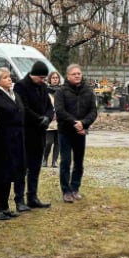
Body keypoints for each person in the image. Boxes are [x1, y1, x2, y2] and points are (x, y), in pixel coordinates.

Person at [13, 61, 54, 211]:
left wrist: (48, 118)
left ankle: (33, 196)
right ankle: (19, 199)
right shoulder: (21, 86)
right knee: (22, 168)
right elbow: (23, 107)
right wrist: (39, 119)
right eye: (41, 77)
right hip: (26, 132)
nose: (43, 80)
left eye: (45, 78)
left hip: (40, 133)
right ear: (34, 75)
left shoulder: (42, 87)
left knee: (35, 167)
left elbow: (50, 106)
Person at [54, 64, 98, 203]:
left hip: (81, 132)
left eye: (79, 73)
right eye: (74, 74)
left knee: (79, 162)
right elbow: (60, 111)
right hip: (65, 131)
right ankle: (66, 190)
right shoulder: (61, 92)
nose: (77, 75)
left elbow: (93, 111)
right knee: (66, 161)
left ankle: (75, 188)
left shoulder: (88, 91)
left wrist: (84, 123)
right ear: (68, 76)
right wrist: (75, 122)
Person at [0, 67, 26, 221]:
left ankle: (5, 207)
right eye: (5, 77)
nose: (9, 79)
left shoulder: (14, 94)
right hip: (1, 140)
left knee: (9, 174)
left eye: (10, 77)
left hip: (16, 140)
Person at [43, 71, 63, 168]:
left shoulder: (62, 91)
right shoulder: (45, 91)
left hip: (60, 120)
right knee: (48, 142)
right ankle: (45, 159)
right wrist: (50, 114)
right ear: (50, 79)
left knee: (58, 142)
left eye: (57, 78)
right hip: (49, 120)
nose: (55, 79)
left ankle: (54, 161)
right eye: (53, 78)